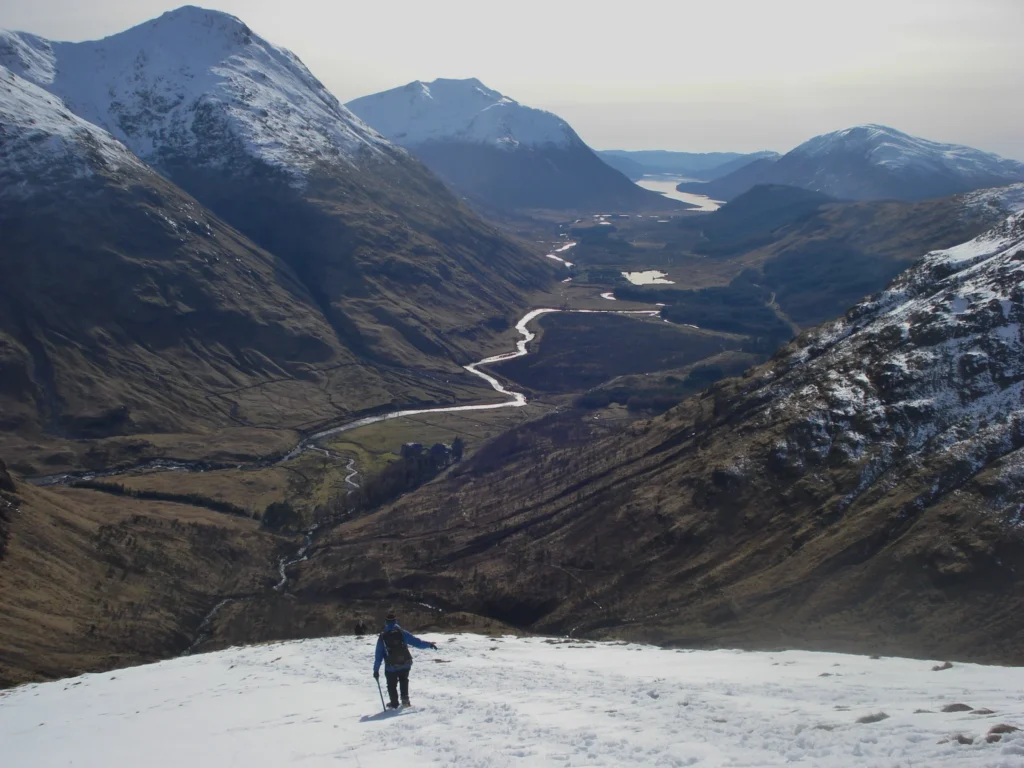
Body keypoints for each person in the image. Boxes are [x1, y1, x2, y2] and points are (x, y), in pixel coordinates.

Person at [373, 612, 437, 708]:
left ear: (386, 622)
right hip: (405, 663)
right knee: (403, 680)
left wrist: (376, 670)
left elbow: (379, 655)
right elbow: (417, 642)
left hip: (391, 666)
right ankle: (405, 700)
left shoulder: (383, 636)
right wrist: (429, 644)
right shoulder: (403, 633)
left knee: (391, 685)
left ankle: (394, 703)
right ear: (395, 621)